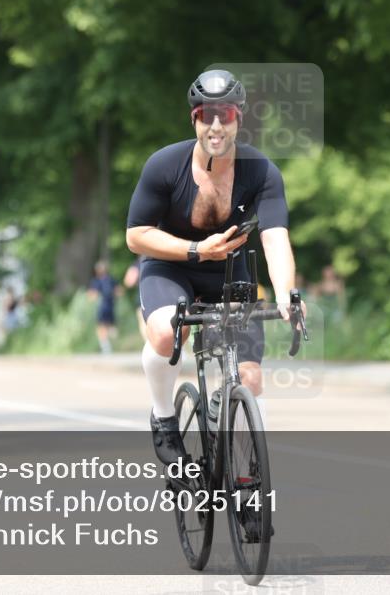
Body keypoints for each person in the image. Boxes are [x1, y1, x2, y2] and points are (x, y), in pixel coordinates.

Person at [126, 69, 301, 487]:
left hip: (229, 271)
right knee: (168, 335)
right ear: (195, 120)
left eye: (226, 115)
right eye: (207, 115)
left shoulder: (261, 171)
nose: (217, 125)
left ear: (240, 118)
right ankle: (164, 417)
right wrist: (195, 249)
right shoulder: (165, 165)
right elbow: (135, 236)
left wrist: (287, 296)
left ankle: (245, 478)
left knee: (252, 379)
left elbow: (275, 238)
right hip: (170, 265)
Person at [87, 261, 120, 354]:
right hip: (111, 305)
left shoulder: (97, 281)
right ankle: (112, 338)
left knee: (100, 327)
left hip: (102, 306)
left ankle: (106, 348)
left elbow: (92, 296)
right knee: (110, 325)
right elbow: (119, 291)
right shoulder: (112, 279)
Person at [123, 255, 149, 341]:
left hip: (142, 296)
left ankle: (149, 343)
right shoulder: (158, 258)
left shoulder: (137, 264)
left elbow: (128, 282)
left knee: (143, 322)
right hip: (159, 295)